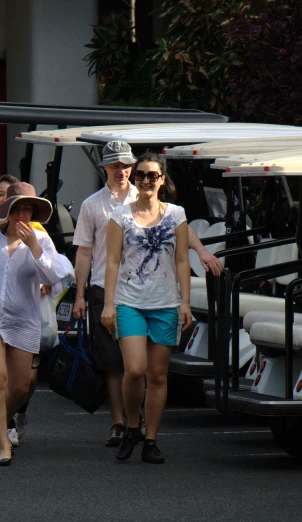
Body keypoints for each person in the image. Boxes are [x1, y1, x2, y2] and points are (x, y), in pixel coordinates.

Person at [72, 141, 222, 448]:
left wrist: (201, 255)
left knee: (151, 372)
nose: (125, 172)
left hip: (159, 297)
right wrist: (82, 294)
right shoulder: (97, 206)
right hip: (111, 290)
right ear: (105, 169)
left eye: (127, 166)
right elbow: (88, 253)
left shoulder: (159, 204)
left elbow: (179, 239)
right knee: (122, 365)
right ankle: (123, 422)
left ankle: (145, 432)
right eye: (117, 166)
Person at [0, 182, 73, 466]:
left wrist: (34, 247)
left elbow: (58, 275)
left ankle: (2, 419)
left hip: (23, 318)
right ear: (7, 210)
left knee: (21, 387)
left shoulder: (40, 239)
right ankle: (3, 443)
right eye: (17, 208)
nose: (22, 214)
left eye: (28, 208)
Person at [101, 151, 193, 464]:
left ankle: (150, 439)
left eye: (153, 175)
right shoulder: (121, 214)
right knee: (135, 369)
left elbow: (182, 260)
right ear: (135, 179)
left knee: (157, 375)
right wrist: (108, 304)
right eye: (140, 175)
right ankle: (131, 426)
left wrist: (186, 303)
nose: (146, 181)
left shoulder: (176, 214)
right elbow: (112, 261)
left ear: (162, 179)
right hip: (130, 302)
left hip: (166, 303)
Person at [0, 175, 54, 446]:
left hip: (29, 316)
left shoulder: (37, 232)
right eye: (1, 196)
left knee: (26, 379)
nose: (7, 202)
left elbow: (53, 271)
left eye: (14, 199)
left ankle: (19, 409)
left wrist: (43, 284)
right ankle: (6, 426)